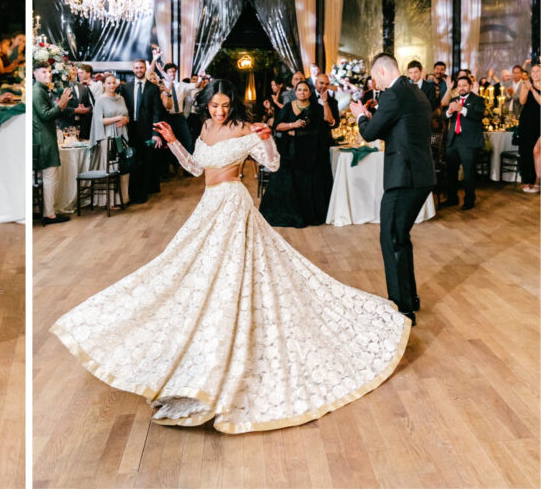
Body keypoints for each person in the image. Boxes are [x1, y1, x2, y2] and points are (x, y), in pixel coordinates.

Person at [51, 78, 410, 432]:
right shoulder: (206, 126)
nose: (219, 112)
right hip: (208, 206)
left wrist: (267, 141)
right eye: (214, 106)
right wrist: (174, 142)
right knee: (184, 272)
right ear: (206, 105)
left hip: (234, 205)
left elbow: (272, 165)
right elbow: (195, 169)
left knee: (232, 276)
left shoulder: (245, 128)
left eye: (224, 105)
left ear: (232, 104)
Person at [349, 53, 435, 326]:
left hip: (404, 177)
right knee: (401, 237)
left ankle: (402, 309)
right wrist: (374, 118)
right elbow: (399, 128)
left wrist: (361, 117)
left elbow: (370, 133)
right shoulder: (415, 92)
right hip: (422, 176)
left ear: (383, 72)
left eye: (377, 79)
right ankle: (411, 299)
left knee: (390, 238)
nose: (379, 85)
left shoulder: (394, 94)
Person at [259, 80, 329, 227]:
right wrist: (293, 125)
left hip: (309, 151)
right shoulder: (288, 107)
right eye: (299, 90)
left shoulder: (316, 108)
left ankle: (306, 214)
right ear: (295, 92)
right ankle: (289, 213)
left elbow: (324, 125)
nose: (302, 92)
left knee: (307, 183)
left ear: (310, 93)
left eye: (305, 90)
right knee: (286, 180)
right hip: (289, 150)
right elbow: (277, 126)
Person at [33, 64, 72, 225]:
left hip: (44, 135)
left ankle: (45, 211)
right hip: (43, 138)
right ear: (35, 74)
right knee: (50, 176)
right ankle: (49, 214)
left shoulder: (41, 90)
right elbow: (45, 115)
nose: (48, 74)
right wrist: (61, 104)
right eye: (43, 72)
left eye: (49, 71)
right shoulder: (37, 91)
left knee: (48, 177)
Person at [439, 75, 485, 210]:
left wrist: (462, 109)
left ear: (470, 86)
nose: (461, 88)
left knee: (468, 173)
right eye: (459, 86)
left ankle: (469, 201)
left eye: (464, 85)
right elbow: (444, 116)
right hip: (453, 141)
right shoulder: (454, 99)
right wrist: (449, 111)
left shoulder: (478, 100)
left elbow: (478, 115)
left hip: (468, 142)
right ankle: (452, 198)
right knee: (451, 172)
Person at [121, 56, 162, 204]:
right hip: (130, 130)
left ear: (145, 69)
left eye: (141, 67)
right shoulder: (125, 88)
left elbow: (157, 112)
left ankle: (143, 195)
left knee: (146, 162)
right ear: (133, 69)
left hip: (147, 131)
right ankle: (131, 193)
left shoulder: (153, 88)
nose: (139, 70)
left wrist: (156, 133)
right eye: (136, 68)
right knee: (132, 161)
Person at [89, 73, 131, 206]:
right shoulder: (100, 100)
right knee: (110, 167)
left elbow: (126, 116)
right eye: (108, 83)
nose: (112, 85)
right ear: (103, 84)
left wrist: (125, 120)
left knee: (123, 166)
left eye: (113, 83)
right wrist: (117, 118)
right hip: (107, 137)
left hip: (121, 135)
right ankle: (109, 202)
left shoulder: (121, 98)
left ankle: (123, 198)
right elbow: (98, 120)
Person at [517, 64, 541, 193]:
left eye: (538, 71)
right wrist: (526, 89)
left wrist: (532, 89)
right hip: (527, 121)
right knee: (526, 150)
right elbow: (522, 102)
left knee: (536, 151)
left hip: (539, 122)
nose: (535, 73)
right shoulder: (526, 85)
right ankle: (526, 180)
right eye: (533, 71)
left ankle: (537, 180)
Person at [59, 65, 95, 141]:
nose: (73, 71)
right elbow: (58, 107)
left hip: (82, 128)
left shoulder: (82, 87)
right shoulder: (60, 86)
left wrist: (87, 109)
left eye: (75, 69)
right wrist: (75, 110)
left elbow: (90, 105)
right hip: (66, 126)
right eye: (71, 69)